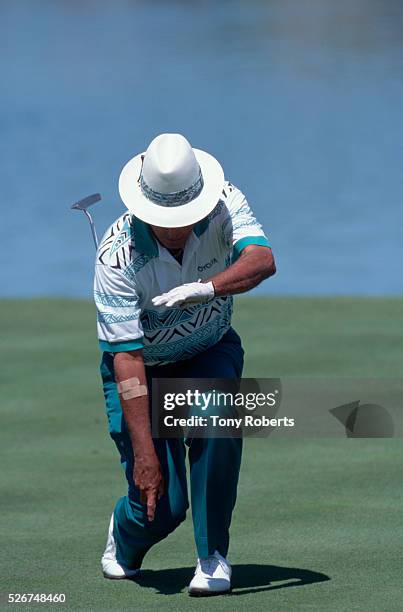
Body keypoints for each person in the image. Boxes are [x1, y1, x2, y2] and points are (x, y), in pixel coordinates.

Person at [94, 133, 276, 596]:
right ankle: (126, 532)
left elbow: (262, 259)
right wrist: (146, 457)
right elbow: (128, 361)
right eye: (165, 219)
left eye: (184, 216)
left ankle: (212, 555)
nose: (176, 227)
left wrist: (207, 287)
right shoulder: (115, 257)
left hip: (209, 349)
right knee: (162, 504)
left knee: (218, 421)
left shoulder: (224, 200)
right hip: (143, 370)